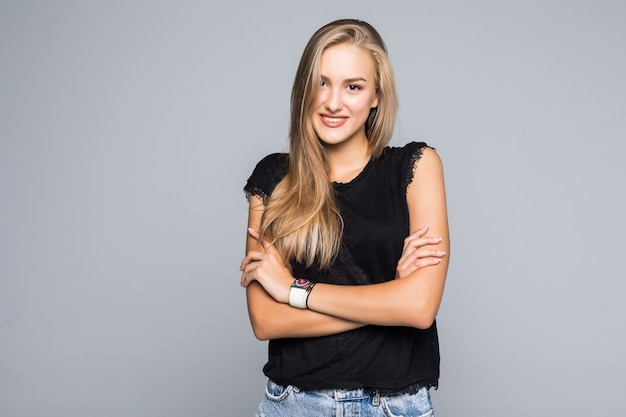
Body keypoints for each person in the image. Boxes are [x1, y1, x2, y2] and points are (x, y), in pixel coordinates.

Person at [240, 18, 449, 417]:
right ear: (304, 90)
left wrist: (294, 292)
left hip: (394, 406)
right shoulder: (273, 178)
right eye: (322, 83)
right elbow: (266, 320)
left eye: (353, 86)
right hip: (295, 404)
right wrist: (390, 298)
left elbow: (420, 308)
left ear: (376, 96)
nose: (333, 102)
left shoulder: (416, 167)